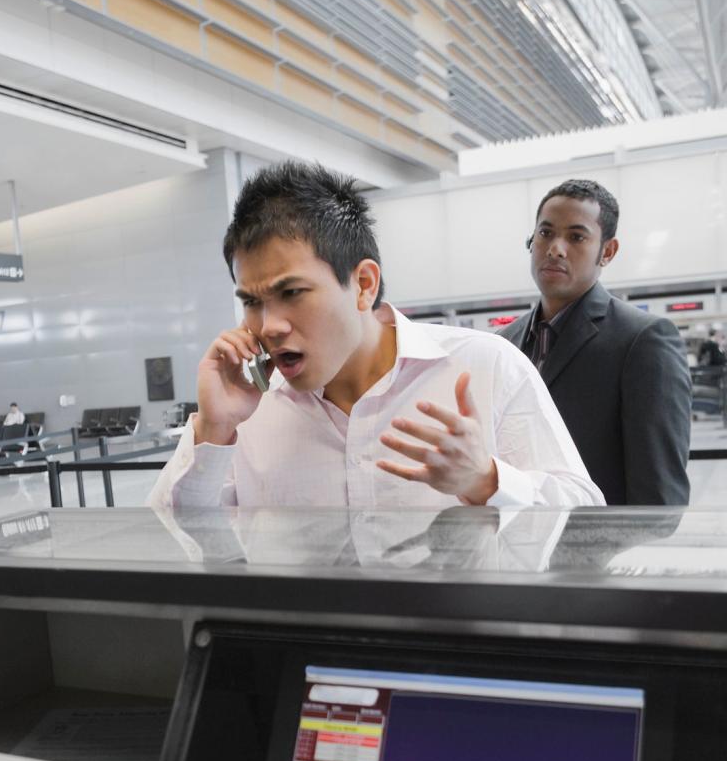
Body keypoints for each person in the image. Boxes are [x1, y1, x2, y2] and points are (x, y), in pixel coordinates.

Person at [148, 162, 603, 510]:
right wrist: (214, 430)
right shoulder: (246, 410)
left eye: (291, 292)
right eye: (251, 301)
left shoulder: (485, 366)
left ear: (363, 284)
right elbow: (176, 544)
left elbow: (585, 520)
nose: (268, 326)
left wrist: (486, 481)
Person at [498, 179, 690, 506]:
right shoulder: (504, 344)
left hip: (599, 551)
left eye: (576, 237)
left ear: (608, 251)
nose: (556, 248)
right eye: (545, 233)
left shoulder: (643, 341)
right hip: (514, 549)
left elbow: (659, 501)